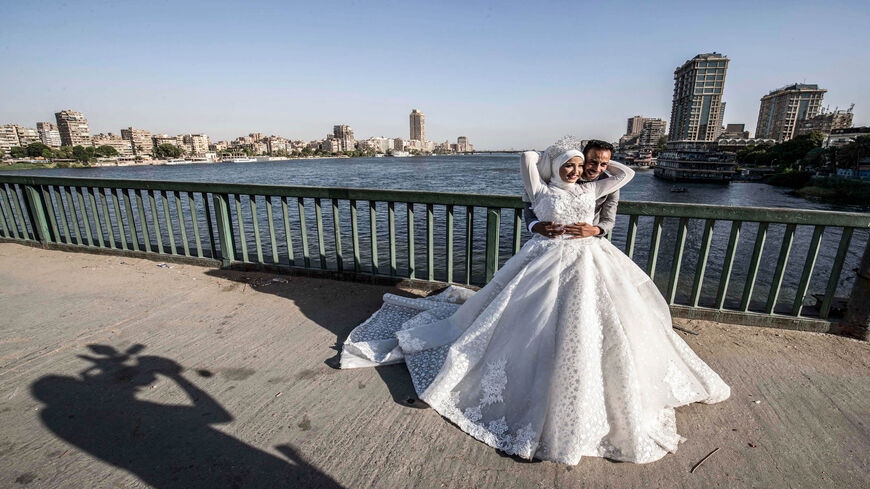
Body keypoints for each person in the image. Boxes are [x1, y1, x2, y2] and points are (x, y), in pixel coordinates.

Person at [341, 137, 730, 465]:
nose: (585, 169)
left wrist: (598, 203)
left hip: (591, 255)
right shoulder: (546, 186)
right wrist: (561, 161)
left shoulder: (597, 187)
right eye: (582, 163)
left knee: (602, 321)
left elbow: (617, 196)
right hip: (544, 256)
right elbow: (531, 183)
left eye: (591, 165)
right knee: (524, 315)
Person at [523, 139, 618, 240]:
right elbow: (529, 207)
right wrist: (535, 226)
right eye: (593, 162)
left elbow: (609, 219)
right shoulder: (556, 175)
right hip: (551, 241)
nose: (597, 169)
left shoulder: (611, 184)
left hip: (589, 241)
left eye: (603, 164)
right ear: (584, 158)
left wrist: (595, 230)